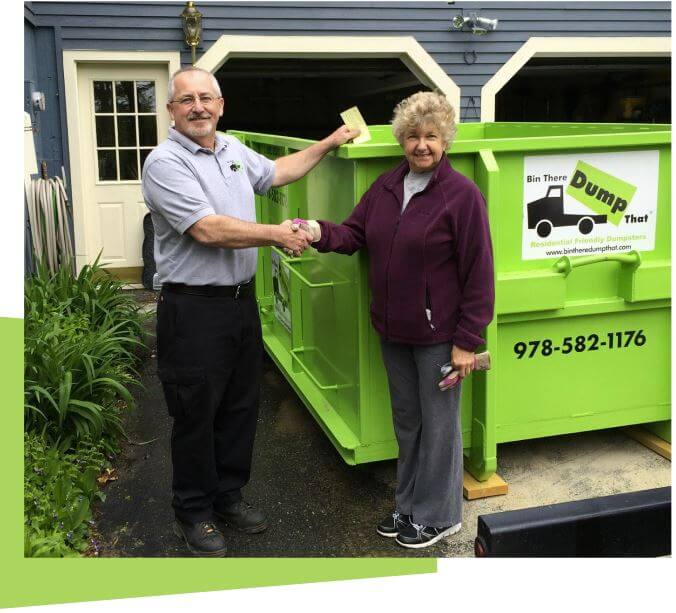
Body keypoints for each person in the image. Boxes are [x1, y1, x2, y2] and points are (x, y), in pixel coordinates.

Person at [141, 66, 359, 557]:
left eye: (206, 98)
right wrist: (279, 234)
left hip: (239, 304)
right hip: (193, 310)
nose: (197, 107)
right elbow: (207, 229)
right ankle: (193, 512)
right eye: (186, 100)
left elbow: (278, 172)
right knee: (197, 413)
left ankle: (227, 496)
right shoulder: (164, 163)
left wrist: (329, 142)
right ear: (172, 111)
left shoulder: (234, 150)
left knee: (240, 408)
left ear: (220, 105)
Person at [299, 91, 494, 549]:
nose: (421, 145)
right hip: (394, 333)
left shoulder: (462, 195)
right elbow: (353, 234)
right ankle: (408, 506)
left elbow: (479, 272)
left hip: (440, 338)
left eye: (430, 136)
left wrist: (467, 341)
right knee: (408, 424)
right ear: (401, 140)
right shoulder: (387, 187)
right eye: (412, 136)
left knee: (440, 428)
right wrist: (315, 231)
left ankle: (440, 515)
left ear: (445, 139)